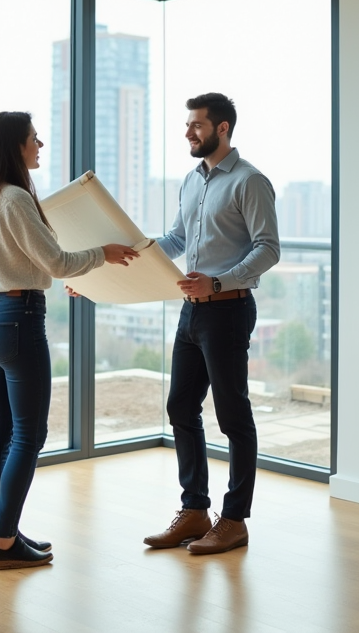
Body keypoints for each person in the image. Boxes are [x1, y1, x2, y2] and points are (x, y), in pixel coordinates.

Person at [0, 111, 138, 570]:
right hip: (18, 320)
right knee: (29, 435)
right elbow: (55, 262)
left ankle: (3, 534)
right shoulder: (15, 198)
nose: (40, 145)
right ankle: (4, 541)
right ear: (16, 145)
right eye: (35, 139)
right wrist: (104, 254)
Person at [143, 92, 280, 555]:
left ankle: (235, 519)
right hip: (192, 311)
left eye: (196, 125)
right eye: (188, 125)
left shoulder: (249, 181)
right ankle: (195, 511)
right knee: (181, 407)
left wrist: (218, 284)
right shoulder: (192, 180)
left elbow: (267, 247)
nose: (188, 132)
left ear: (222, 128)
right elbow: (178, 237)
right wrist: (127, 260)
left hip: (227, 308)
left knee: (232, 416)